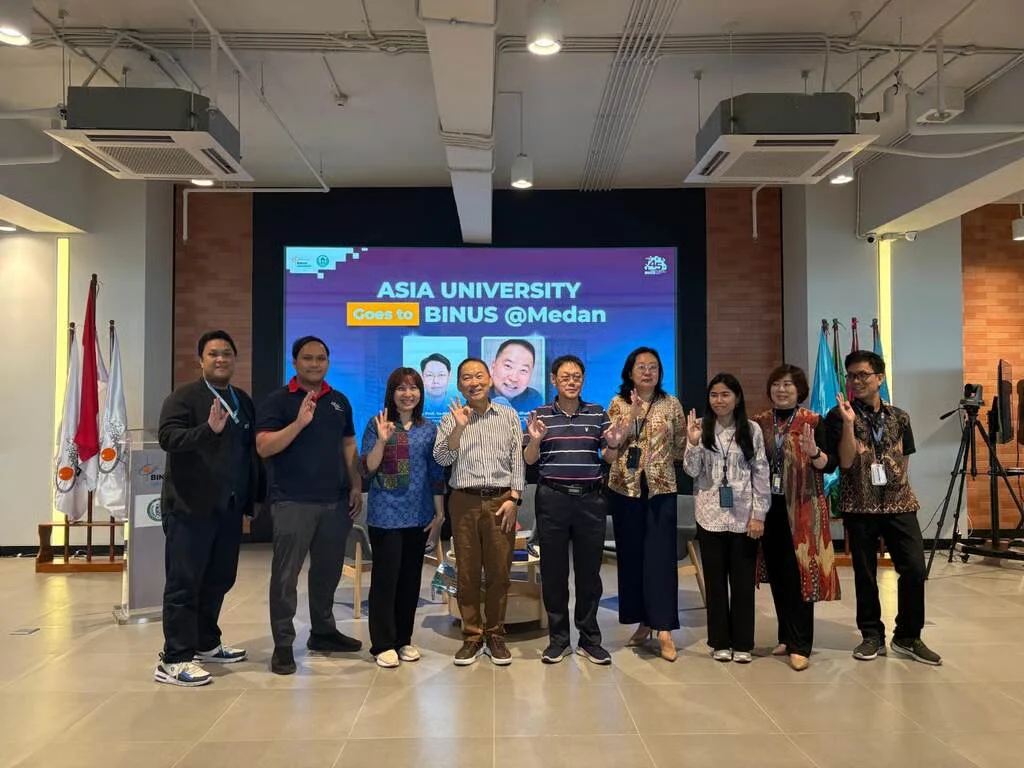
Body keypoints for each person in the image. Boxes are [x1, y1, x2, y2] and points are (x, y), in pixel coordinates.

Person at [154, 330, 259, 687]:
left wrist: (252, 499)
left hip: (228, 509)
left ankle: (205, 642)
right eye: (213, 353)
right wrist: (207, 430)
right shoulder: (183, 398)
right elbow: (167, 438)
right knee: (184, 583)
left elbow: (248, 454)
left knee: (219, 578)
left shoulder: (242, 400)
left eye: (227, 353)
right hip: (189, 508)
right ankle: (174, 658)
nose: (220, 359)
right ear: (200, 360)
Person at [824, 350, 941, 665]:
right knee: (865, 574)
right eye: (851, 376)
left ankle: (907, 636)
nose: (856, 381)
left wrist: (896, 489)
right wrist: (849, 424)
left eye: (863, 375)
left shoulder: (899, 417)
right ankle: (871, 635)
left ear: (879, 377)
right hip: (859, 505)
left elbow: (904, 459)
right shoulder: (838, 415)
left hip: (899, 504)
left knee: (914, 569)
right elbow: (845, 462)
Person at [256, 335, 363, 675]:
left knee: (327, 573)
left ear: (328, 362)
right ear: (295, 362)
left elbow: (348, 445)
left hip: (335, 502)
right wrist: (299, 423)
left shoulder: (339, 401)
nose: (315, 364)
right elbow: (264, 447)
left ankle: (323, 631)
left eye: (320, 358)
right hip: (292, 502)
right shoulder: (278, 401)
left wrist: (356, 484)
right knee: (285, 577)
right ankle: (283, 644)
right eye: (307, 358)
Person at [524, 355, 628, 665]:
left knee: (589, 573)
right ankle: (558, 640)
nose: (572, 381)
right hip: (552, 498)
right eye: (566, 376)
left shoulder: (597, 412)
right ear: (553, 380)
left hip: (590, 500)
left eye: (577, 376)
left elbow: (608, 457)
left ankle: (589, 640)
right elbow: (529, 460)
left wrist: (614, 444)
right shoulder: (540, 414)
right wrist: (536, 440)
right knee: (554, 572)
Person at [434, 358, 525, 666]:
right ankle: (472, 635)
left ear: (490, 380)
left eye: (479, 376)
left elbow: (517, 460)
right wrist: (458, 429)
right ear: (459, 385)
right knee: (467, 572)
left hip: (502, 501)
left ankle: (495, 633)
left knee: (499, 572)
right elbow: (442, 459)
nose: (473, 382)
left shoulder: (508, 415)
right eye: (466, 378)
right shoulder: (451, 417)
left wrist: (515, 498)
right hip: (464, 501)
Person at [752, 365, 841, 672]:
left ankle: (801, 644)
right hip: (769, 508)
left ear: (799, 390)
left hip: (803, 508)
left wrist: (814, 452)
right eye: (777, 384)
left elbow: (831, 464)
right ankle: (785, 637)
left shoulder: (813, 421)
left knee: (801, 575)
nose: (782, 389)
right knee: (778, 574)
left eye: (788, 385)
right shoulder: (760, 422)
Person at [360, 368, 445, 668]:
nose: (408, 394)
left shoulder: (428, 428)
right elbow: (367, 468)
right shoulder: (378, 423)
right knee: (385, 580)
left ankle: (403, 640)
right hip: (386, 514)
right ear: (391, 393)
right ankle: (382, 644)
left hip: (419, 514)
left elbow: (435, 473)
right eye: (401, 388)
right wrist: (382, 441)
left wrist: (439, 514)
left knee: (410, 581)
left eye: (413, 388)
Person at [607, 346, 687, 662]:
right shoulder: (618, 403)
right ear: (630, 372)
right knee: (632, 558)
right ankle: (642, 622)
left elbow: (680, 446)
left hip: (660, 489)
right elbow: (613, 443)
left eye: (653, 367)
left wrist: (660, 461)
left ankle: (664, 628)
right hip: (624, 489)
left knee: (661, 559)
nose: (647, 372)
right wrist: (632, 416)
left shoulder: (672, 404)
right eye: (641, 366)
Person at [683, 373, 770, 664]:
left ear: (737, 397)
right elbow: (691, 471)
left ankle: (743, 643)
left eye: (725, 394)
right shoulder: (700, 427)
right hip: (709, 515)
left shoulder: (751, 429)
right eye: (714, 395)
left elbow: (761, 473)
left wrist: (759, 515)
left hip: (744, 517)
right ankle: (719, 641)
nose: (719, 400)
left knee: (743, 583)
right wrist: (693, 442)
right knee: (715, 583)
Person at [489, 338, 544, 412]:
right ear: (493, 366)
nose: (513, 378)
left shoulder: (535, 399)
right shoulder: (477, 395)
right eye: (508, 366)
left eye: (523, 370)